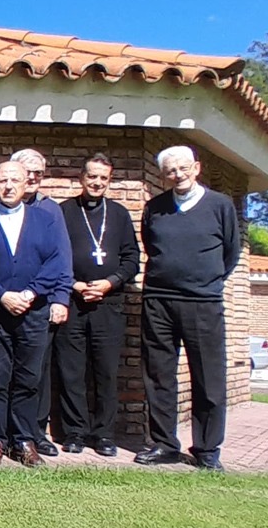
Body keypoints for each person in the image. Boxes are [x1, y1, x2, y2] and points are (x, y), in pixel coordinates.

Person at [136, 145, 241, 471]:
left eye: (183, 168)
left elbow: (231, 253)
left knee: (209, 379)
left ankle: (207, 450)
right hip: (158, 301)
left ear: (196, 168)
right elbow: (152, 247)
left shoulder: (220, 205)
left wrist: (205, 282)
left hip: (203, 302)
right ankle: (165, 444)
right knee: (159, 377)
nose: (178, 175)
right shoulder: (155, 208)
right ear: (163, 175)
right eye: (171, 171)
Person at [0, 161, 71, 467]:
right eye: (3, 181)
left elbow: (55, 261)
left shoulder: (45, 220)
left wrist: (29, 293)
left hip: (33, 312)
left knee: (28, 378)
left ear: (27, 183)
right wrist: (2, 295)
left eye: (15, 180)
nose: (9, 186)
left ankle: (24, 439)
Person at [54, 154, 140, 456]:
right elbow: (54, 256)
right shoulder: (64, 211)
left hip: (109, 304)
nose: (97, 182)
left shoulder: (118, 214)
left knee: (105, 372)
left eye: (103, 178)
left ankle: (104, 434)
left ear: (109, 180)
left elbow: (132, 260)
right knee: (72, 372)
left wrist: (109, 283)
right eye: (92, 176)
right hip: (73, 302)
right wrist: (75, 285)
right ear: (82, 177)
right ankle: (75, 432)